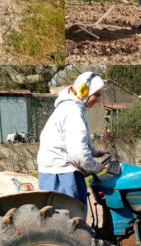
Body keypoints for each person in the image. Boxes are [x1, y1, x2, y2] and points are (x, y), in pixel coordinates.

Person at [37, 72, 107, 207]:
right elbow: (78, 153)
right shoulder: (73, 112)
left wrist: (95, 152)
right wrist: (96, 167)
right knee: (72, 218)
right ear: (84, 91)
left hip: (51, 173)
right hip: (62, 175)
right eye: (96, 95)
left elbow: (78, 139)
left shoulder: (69, 108)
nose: (98, 99)